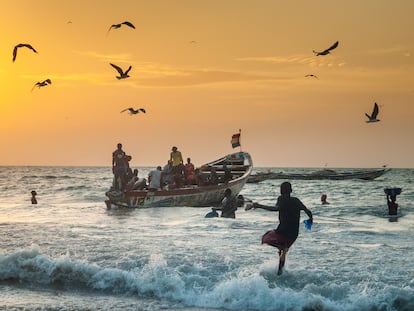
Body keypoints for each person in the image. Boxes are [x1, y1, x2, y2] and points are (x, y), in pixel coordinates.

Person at [246, 181, 313, 275]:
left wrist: (259, 205)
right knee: (283, 252)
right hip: (294, 234)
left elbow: (276, 208)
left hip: (283, 231)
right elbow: (308, 211)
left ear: (281, 191)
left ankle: (281, 249)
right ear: (291, 190)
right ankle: (280, 271)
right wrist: (310, 220)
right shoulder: (296, 201)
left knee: (265, 238)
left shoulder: (282, 199)